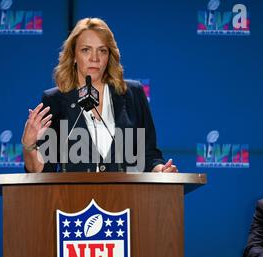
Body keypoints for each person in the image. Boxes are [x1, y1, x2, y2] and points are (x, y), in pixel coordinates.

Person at [21, 17, 178, 173]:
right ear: (74, 56)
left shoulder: (133, 94)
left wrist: (161, 170)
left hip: (125, 196)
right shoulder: (55, 100)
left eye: (102, 50)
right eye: (86, 50)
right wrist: (28, 146)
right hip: (73, 196)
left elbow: (149, 156)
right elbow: (42, 171)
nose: (94, 58)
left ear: (109, 56)